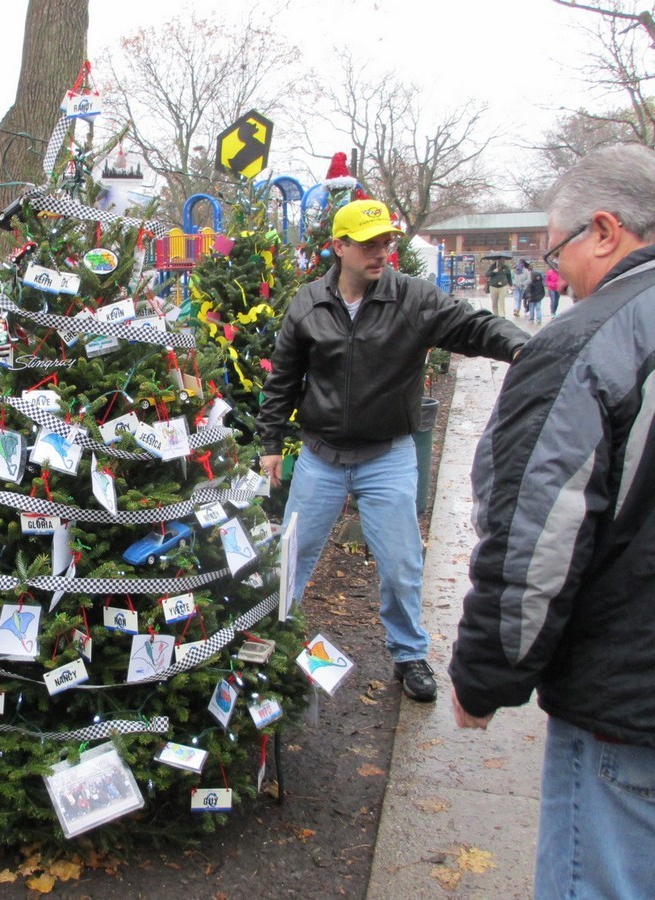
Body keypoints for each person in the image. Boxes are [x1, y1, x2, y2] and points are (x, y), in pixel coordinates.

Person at [450, 143, 655, 898]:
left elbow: (539, 536)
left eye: (557, 249)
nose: (556, 272)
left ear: (604, 231)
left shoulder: (591, 343)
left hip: (626, 704)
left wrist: (486, 674)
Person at [256, 199, 528, 703]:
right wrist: (271, 442)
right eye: (368, 244)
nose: (381, 252)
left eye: (385, 242)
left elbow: (471, 325)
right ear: (339, 247)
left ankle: (409, 654)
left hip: (387, 457)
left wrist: (521, 347)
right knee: (291, 559)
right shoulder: (308, 303)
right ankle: (271, 642)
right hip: (320, 458)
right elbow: (284, 378)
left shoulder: (414, 299)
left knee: (401, 565)